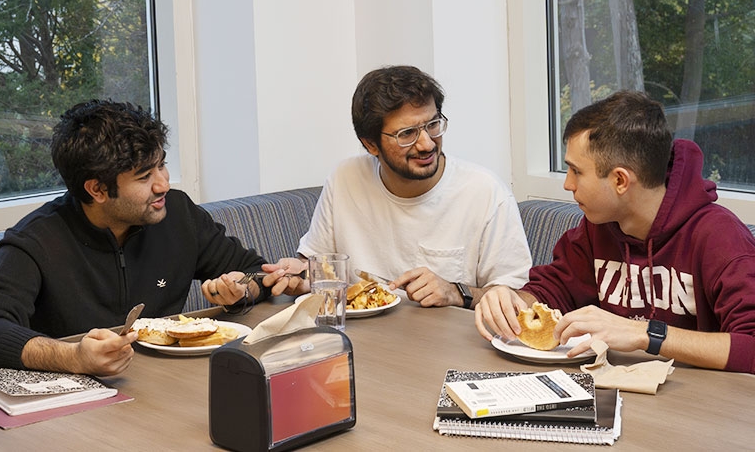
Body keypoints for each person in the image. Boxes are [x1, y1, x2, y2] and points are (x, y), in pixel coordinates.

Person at [0, 100, 304, 376]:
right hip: (80, 409)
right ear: (97, 189)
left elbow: (254, 270)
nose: (163, 184)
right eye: (144, 176)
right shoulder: (37, 240)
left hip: (169, 388)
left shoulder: (178, 214)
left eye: (162, 165)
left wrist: (243, 289)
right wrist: (72, 357)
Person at [475, 90, 755, 374]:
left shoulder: (720, 238)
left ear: (620, 180)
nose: (567, 184)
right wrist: (511, 301)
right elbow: (552, 291)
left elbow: (751, 346)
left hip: (699, 407)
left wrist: (646, 334)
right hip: (616, 392)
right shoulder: (598, 226)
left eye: (576, 171)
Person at [265, 65, 532, 308]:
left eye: (433, 124)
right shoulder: (346, 178)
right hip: (364, 341)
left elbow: (519, 299)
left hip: (447, 348)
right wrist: (301, 275)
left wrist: (455, 292)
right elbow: (319, 267)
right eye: (407, 134)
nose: (427, 143)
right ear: (370, 144)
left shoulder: (485, 193)